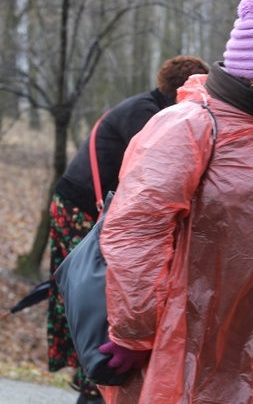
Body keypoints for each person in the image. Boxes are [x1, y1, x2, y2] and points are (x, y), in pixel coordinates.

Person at [96, 0, 253, 403]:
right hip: (172, 331)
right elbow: (135, 231)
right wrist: (133, 330)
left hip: (238, 337)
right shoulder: (189, 126)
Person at [49, 56, 209, 403]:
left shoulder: (151, 107)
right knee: (100, 297)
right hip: (79, 209)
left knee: (100, 296)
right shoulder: (153, 116)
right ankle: (95, 382)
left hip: (81, 207)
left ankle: (92, 380)